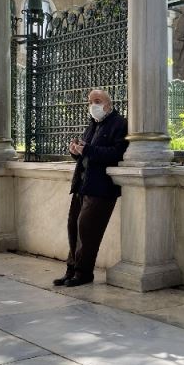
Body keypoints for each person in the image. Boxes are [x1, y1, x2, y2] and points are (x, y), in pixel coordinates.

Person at [53, 89, 129, 288]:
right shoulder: (92, 124)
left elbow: (116, 153)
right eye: (90, 101)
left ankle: (83, 273)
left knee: (87, 232)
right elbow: (87, 153)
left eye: (97, 100)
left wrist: (87, 149)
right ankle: (71, 270)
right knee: (73, 228)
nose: (92, 105)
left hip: (101, 188)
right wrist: (76, 152)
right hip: (81, 185)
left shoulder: (119, 124)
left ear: (108, 104)